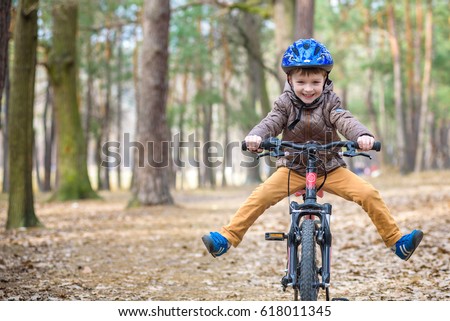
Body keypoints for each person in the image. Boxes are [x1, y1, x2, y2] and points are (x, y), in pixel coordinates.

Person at [201, 38, 423, 261]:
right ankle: (226, 238)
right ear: (290, 79)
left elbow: (345, 120)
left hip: (329, 169)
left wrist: (362, 136)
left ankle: (396, 241)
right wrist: (257, 136)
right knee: (260, 197)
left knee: (368, 193)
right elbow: (272, 121)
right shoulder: (284, 103)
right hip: (293, 168)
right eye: (301, 82)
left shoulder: (330, 102)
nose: (308, 89)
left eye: (315, 82)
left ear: (325, 79)